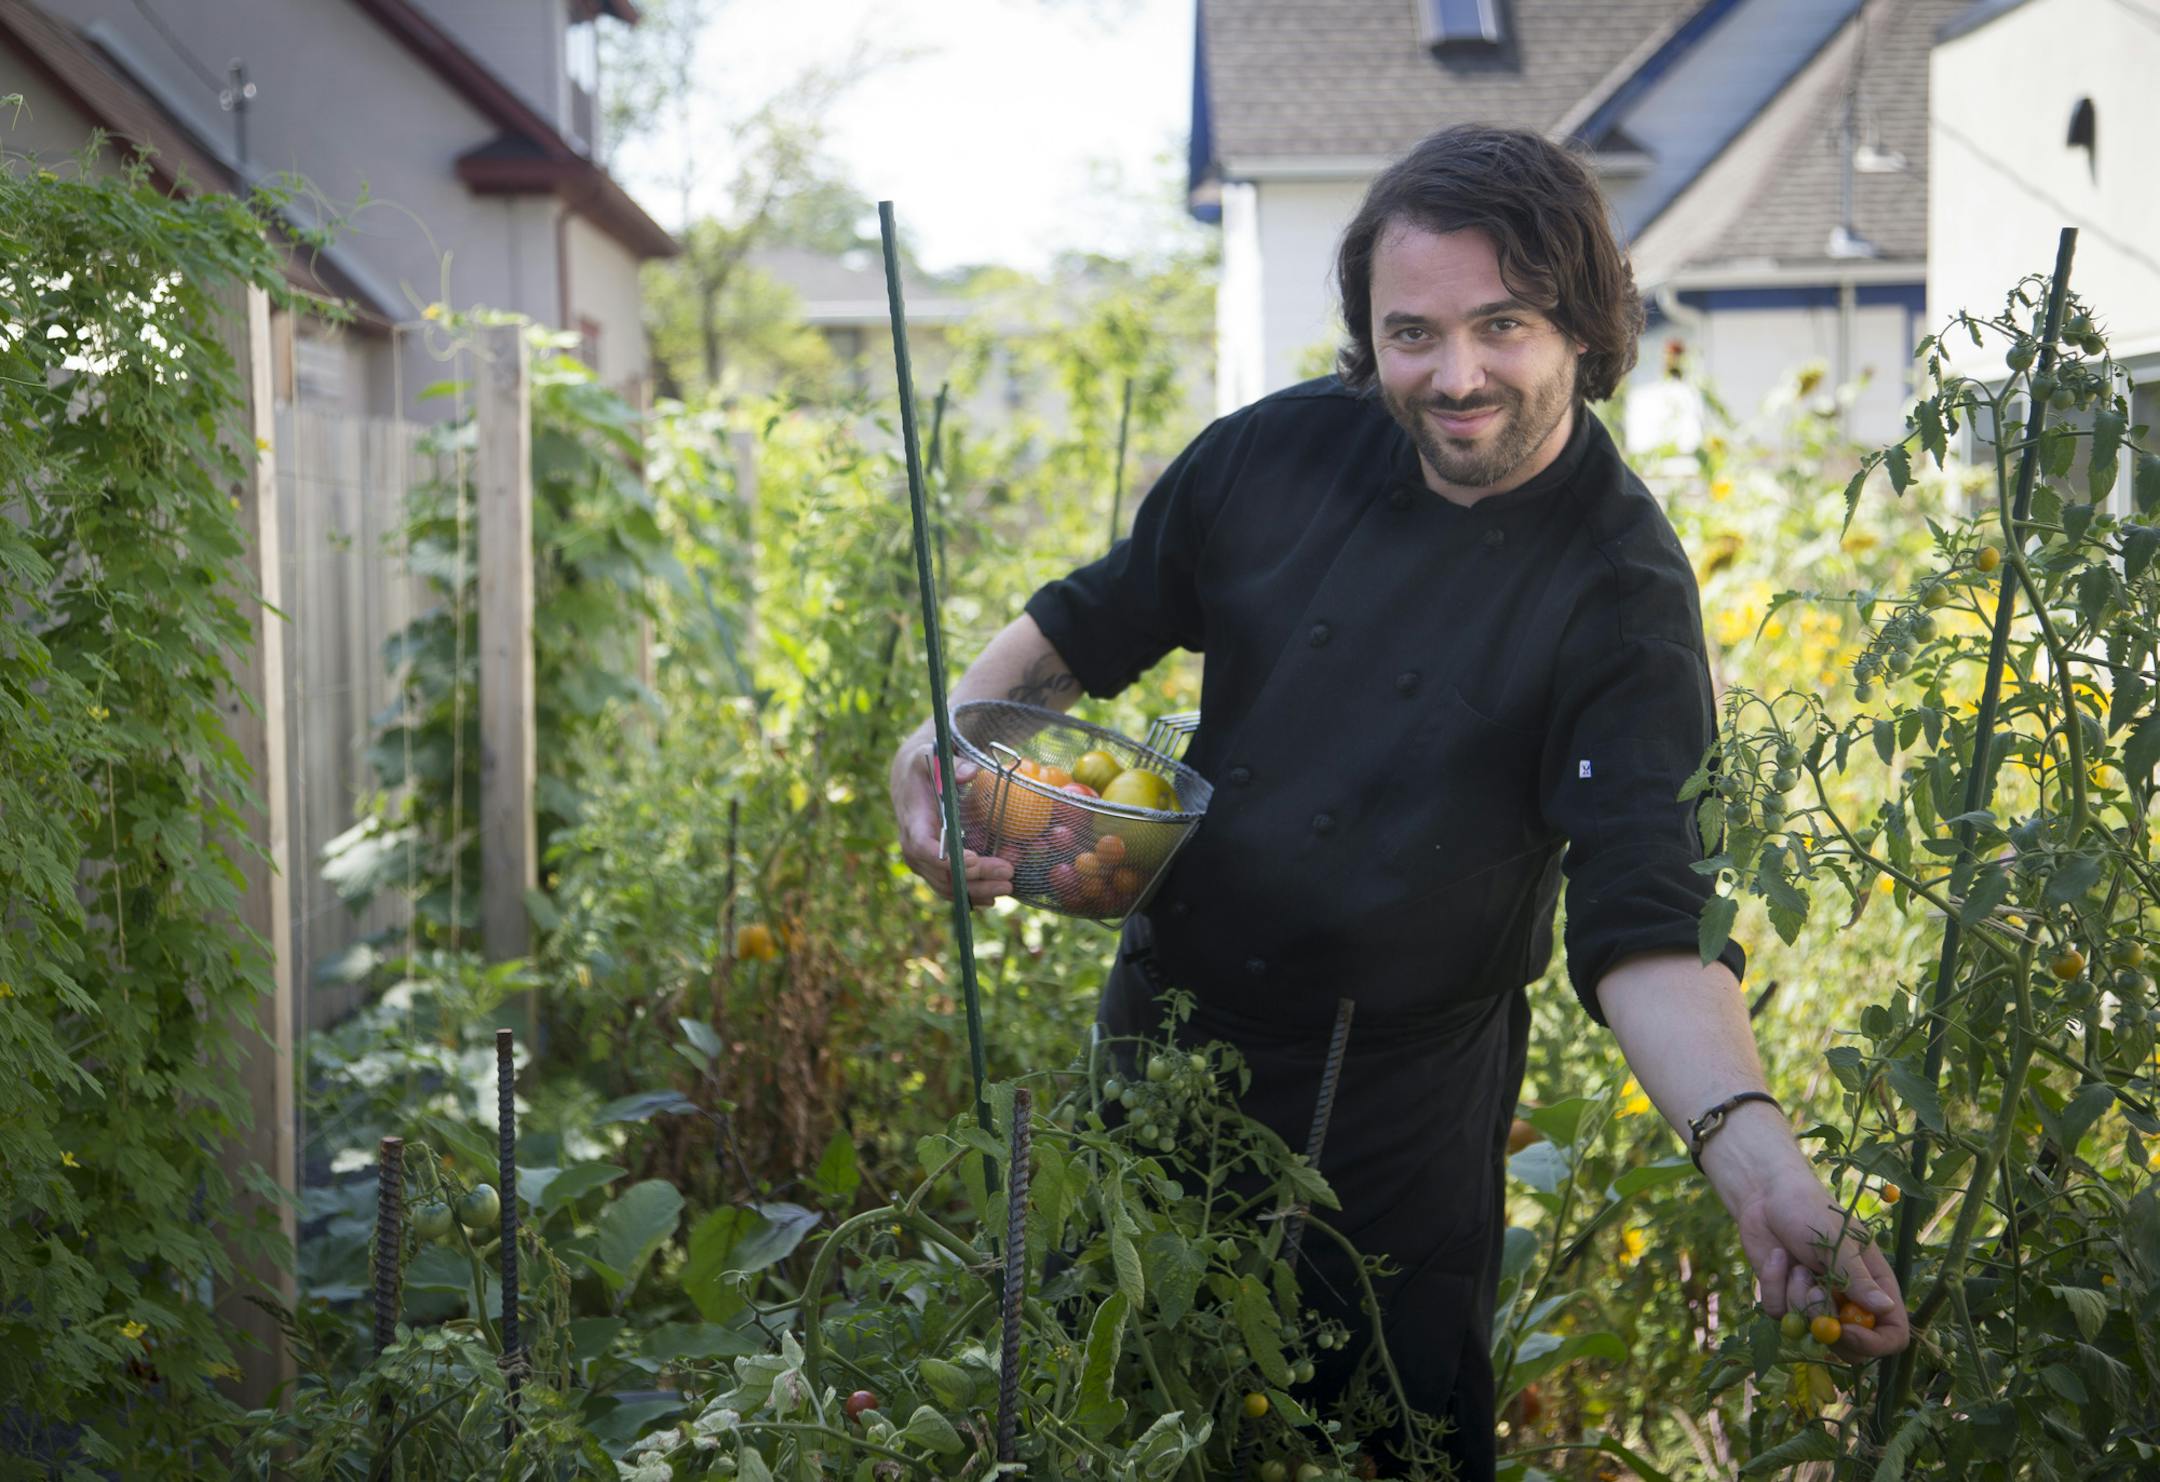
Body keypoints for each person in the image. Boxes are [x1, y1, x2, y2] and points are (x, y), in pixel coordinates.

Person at [887, 123, 1910, 1477]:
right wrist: (956, 740)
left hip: (1388, 1115)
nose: (1457, 374)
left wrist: (1755, 1157)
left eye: (1505, 324)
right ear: (1370, 336)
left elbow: (1648, 920)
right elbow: (1101, 613)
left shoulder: (1620, 593)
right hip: (1162, 1037)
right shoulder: (1278, 454)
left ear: (1585, 324)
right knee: (1112, 1411)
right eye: (1413, 333)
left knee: (1381, 1442)